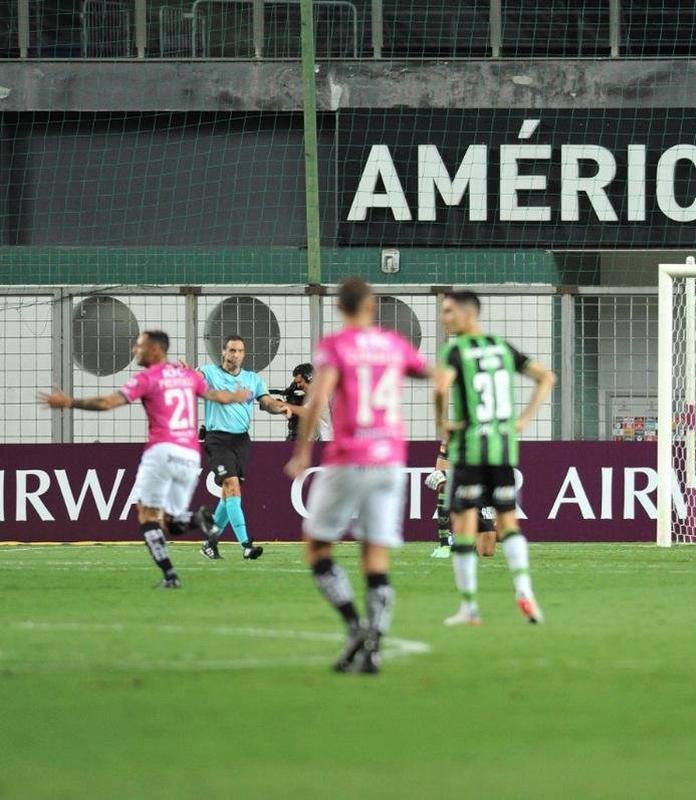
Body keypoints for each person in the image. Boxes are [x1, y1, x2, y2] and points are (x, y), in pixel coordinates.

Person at [284, 277, 429, 674]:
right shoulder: (394, 343)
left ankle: (354, 627)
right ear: (371, 307)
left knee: (317, 548)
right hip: (389, 462)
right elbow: (429, 373)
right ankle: (375, 647)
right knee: (376, 559)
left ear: (339, 307)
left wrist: (301, 452)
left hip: (349, 459)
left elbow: (317, 398)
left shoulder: (335, 346)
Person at [38, 330, 250, 587]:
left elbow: (107, 403)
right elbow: (216, 396)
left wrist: (69, 402)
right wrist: (237, 397)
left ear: (155, 350)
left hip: (161, 451)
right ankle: (198, 520)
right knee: (170, 522)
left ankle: (170, 575)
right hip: (190, 455)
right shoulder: (185, 375)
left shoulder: (148, 377)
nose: (134, 351)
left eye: (139, 346)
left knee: (147, 516)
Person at [434, 290, 557, 626]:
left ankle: (470, 607)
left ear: (467, 313)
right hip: (503, 448)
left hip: (470, 449)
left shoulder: (455, 351)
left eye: (448, 311)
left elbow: (440, 388)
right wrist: (525, 419)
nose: (444, 318)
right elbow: (547, 378)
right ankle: (524, 591)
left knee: (464, 523)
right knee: (509, 521)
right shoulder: (503, 347)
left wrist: (442, 423)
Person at [197, 334, 292, 561]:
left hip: (240, 441)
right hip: (217, 438)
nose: (235, 355)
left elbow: (266, 402)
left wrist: (279, 408)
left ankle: (209, 544)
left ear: (244, 354)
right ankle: (246, 545)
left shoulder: (253, 379)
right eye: (231, 350)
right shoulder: (210, 373)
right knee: (232, 486)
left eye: (239, 351)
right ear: (223, 352)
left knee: (229, 494)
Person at [424, 439, 498, 559]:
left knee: (487, 550)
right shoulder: (455, 436)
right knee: (442, 483)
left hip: (482, 487)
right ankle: (446, 542)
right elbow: (439, 474)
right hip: (460, 481)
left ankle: (464, 536)